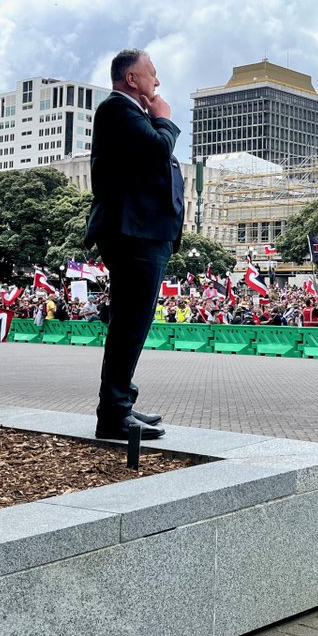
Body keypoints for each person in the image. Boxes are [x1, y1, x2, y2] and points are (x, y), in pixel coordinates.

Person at [83, 48, 185, 441]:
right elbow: (158, 149)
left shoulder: (128, 114)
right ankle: (113, 412)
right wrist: (165, 119)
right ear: (132, 79)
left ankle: (120, 402)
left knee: (133, 322)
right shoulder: (117, 110)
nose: (156, 82)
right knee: (130, 323)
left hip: (144, 233)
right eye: (152, 74)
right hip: (134, 233)